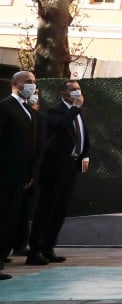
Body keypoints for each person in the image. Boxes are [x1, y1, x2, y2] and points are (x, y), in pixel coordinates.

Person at [27, 79, 91, 266]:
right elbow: (59, 125)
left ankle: (49, 247)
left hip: (71, 167)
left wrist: (85, 155)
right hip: (55, 167)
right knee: (47, 207)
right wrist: (75, 109)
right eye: (73, 90)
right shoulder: (58, 111)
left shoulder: (77, 113)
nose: (77, 93)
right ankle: (35, 250)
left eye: (78, 89)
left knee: (61, 209)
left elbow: (82, 135)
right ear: (63, 93)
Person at [0, 71, 41, 281]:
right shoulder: (6, 107)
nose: (32, 86)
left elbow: (32, 145)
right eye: (28, 82)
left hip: (23, 176)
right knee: (3, 218)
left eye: (34, 82)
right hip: (6, 175)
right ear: (16, 84)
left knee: (12, 220)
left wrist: (31, 172)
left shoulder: (29, 111)